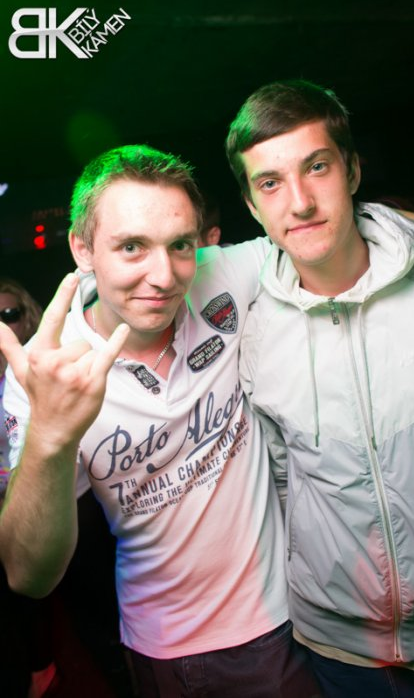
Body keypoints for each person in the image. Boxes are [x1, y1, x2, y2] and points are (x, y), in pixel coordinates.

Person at [0, 145, 319, 698]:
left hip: (297, 612)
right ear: (82, 249)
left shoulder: (222, 275)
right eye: (131, 247)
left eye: (180, 245)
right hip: (173, 647)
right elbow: (28, 574)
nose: (164, 276)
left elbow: (328, 230)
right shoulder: (43, 373)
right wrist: (50, 435)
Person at [226, 80, 414, 697]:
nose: (300, 202)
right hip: (336, 650)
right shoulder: (255, 331)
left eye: (317, 167)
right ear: (252, 207)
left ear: (353, 171)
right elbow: (283, 481)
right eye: (270, 183)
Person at [0, 278, 59, 698]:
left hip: (57, 493)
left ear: (28, 316)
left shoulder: (47, 361)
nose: (3, 326)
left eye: (10, 314)